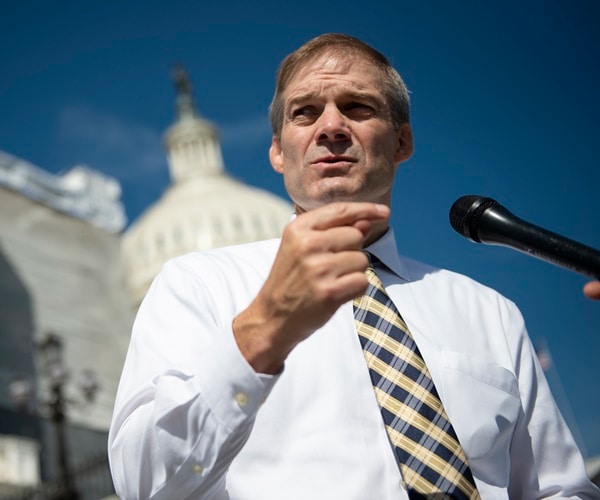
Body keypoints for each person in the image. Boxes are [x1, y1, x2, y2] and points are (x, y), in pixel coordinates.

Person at [108, 34, 599, 499]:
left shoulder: (490, 313)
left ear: (401, 142)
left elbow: (559, 489)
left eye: (357, 107)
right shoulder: (198, 285)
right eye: (304, 113)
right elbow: (145, 483)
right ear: (278, 151)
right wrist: (265, 331)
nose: (331, 127)